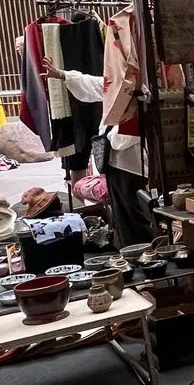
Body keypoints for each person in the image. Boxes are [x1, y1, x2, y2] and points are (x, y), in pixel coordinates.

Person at [41, 61, 153, 246]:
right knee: (122, 216)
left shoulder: (144, 87)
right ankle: (131, 251)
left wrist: (109, 136)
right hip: (114, 162)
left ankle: (145, 254)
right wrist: (62, 74)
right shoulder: (120, 82)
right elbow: (97, 84)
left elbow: (129, 134)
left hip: (133, 163)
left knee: (135, 215)